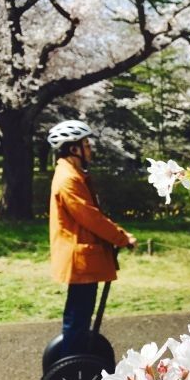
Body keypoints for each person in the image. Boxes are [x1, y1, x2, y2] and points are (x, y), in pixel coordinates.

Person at [48, 120, 136, 355]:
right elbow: (91, 218)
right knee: (78, 318)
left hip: (82, 258)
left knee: (78, 316)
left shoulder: (72, 174)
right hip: (81, 260)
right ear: (74, 149)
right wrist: (121, 237)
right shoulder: (69, 179)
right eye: (86, 145)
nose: (90, 149)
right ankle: (74, 364)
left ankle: (74, 357)